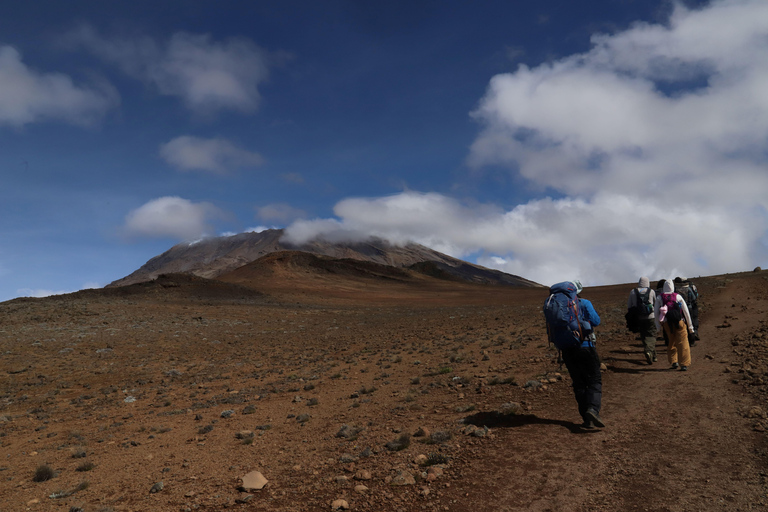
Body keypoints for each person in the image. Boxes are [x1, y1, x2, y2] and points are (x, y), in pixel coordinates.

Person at [545, 280, 604, 428]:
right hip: (585, 346)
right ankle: (593, 410)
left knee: (578, 382)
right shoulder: (584, 303)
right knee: (594, 379)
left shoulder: (555, 304)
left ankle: (586, 418)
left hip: (566, 348)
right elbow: (596, 321)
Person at [654, 279, 694, 371]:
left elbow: (656, 313)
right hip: (679, 322)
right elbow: (686, 312)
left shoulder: (660, 298)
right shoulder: (678, 296)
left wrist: (658, 326)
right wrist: (690, 327)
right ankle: (684, 364)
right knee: (683, 342)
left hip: (667, 323)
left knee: (671, 341)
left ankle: (673, 361)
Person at [627, 277, 657, 364]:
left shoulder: (633, 292)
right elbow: (655, 303)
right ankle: (649, 351)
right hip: (651, 317)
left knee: (644, 335)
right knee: (652, 335)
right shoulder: (651, 291)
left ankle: (653, 355)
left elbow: (629, 306)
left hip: (639, 317)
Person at [673, 276, 700, 345]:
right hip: (689, 307)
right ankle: (692, 340)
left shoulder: (675, 289)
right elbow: (694, 297)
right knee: (690, 322)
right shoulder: (688, 288)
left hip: (679, 309)